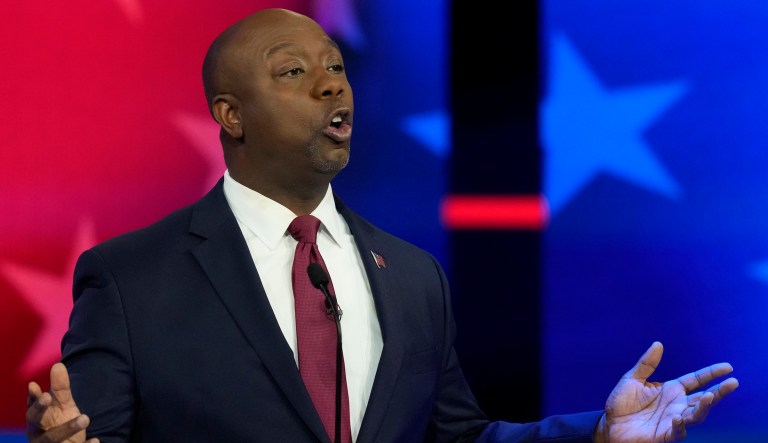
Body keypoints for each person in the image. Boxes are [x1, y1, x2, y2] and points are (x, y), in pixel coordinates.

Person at [25, 7, 738, 443]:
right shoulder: (130, 278)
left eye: (336, 66)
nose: (332, 83)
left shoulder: (414, 277)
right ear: (230, 115)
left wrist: (600, 432)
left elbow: (456, 438)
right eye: (293, 71)